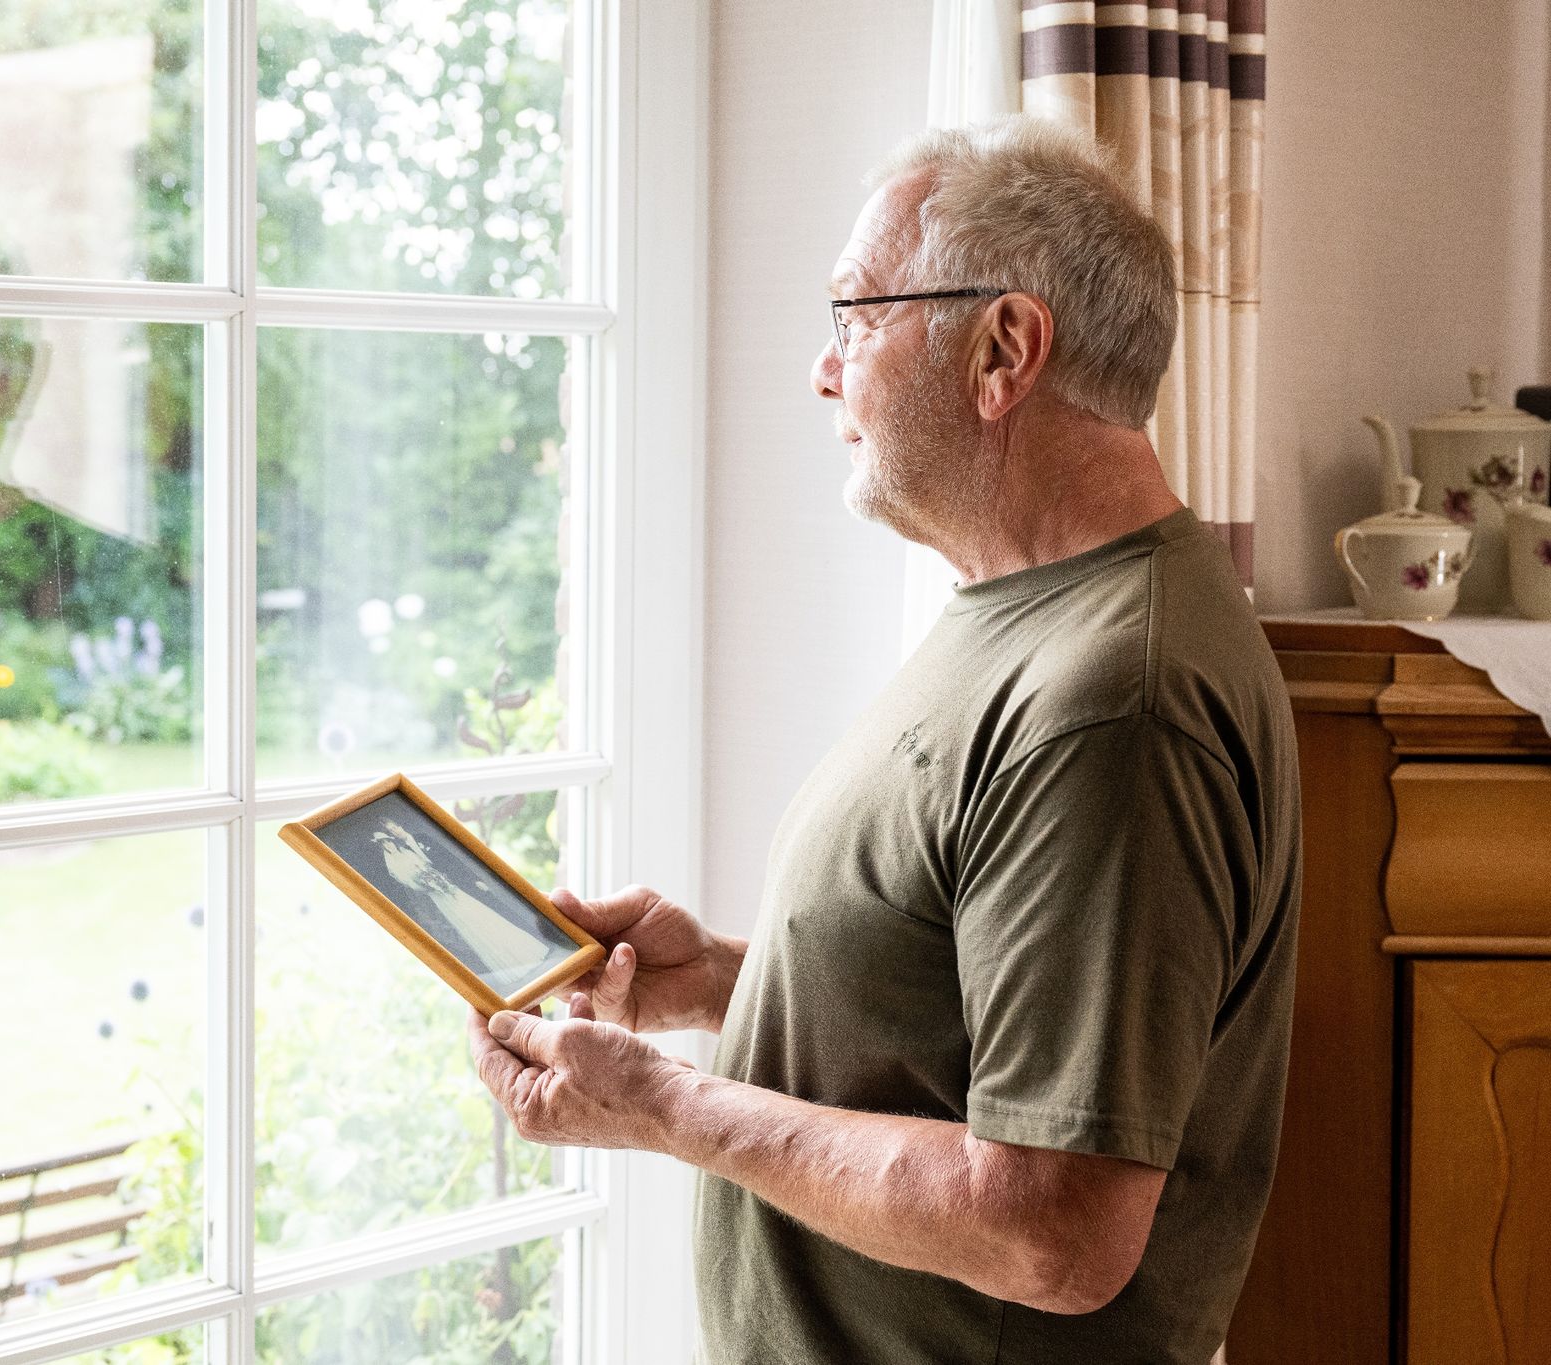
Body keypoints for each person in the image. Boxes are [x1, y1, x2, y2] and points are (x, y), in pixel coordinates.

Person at [468, 115, 1301, 1363]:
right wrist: (728, 984)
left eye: (856, 315)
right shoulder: (1030, 615)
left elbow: (1052, 1232)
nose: (823, 369)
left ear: (1001, 349)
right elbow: (982, 1025)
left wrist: (661, 1108)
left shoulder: (1110, 702)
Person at [372, 816, 569, 993]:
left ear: (399, 825)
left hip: (464, 884)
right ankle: (508, 964)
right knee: (475, 926)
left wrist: (473, 879)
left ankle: (534, 947)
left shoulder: (422, 838)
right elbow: (413, 876)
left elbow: (451, 860)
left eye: (395, 828)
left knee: (496, 914)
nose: (395, 832)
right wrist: (433, 883)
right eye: (390, 832)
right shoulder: (402, 852)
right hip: (444, 893)